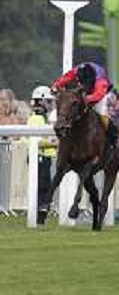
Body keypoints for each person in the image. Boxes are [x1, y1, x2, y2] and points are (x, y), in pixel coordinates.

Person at [51, 62, 119, 147]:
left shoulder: (100, 79)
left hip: (102, 94)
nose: (81, 85)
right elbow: (65, 78)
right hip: (86, 92)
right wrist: (55, 86)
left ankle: (113, 138)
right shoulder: (76, 70)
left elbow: (98, 95)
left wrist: (85, 99)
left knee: (102, 114)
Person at [27, 86, 57, 217]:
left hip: (44, 157)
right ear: (41, 101)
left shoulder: (44, 118)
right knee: (41, 186)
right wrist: (54, 143)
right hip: (39, 156)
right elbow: (37, 141)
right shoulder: (36, 119)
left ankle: (41, 211)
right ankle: (39, 213)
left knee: (45, 185)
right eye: (48, 101)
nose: (51, 104)